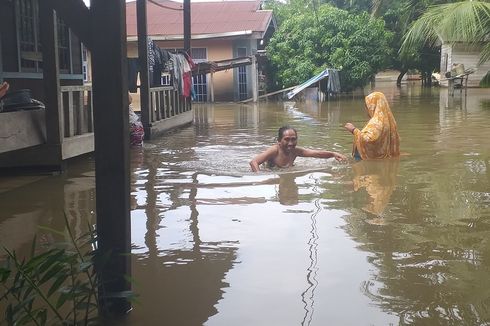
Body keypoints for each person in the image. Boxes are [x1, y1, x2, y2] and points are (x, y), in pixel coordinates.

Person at [250, 125, 347, 172]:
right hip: (272, 171)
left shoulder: (295, 151)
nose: (290, 143)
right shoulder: (275, 150)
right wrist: (260, 176)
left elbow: (315, 153)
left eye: (293, 139)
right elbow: (254, 162)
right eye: (287, 139)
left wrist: (333, 154)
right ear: (279, 141)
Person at [344, 91, 400, 160]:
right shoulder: (390, 120)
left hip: (368, 160)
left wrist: (353, 130)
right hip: (382, 160)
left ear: (373, 105)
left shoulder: (376, 122)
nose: (366, 109)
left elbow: (368, 140)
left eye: (367, 106)